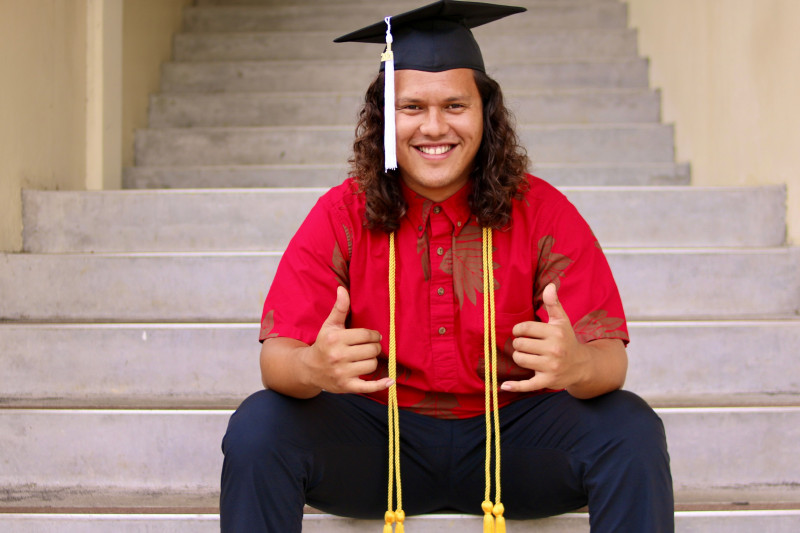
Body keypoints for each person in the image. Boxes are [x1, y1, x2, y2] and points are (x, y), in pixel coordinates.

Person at [220, 1, 674, 531]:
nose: (434, 127)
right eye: (412, 107)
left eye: (455, 106)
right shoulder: (343, 213)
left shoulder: (543, 212)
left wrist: (576, 366)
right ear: (385, 117)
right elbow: (277, 357)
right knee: (259, 426)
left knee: (631, 428)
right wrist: (311, 369)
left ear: (486, 114)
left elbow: (609, 362)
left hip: (514, 444)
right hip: (379, 443)